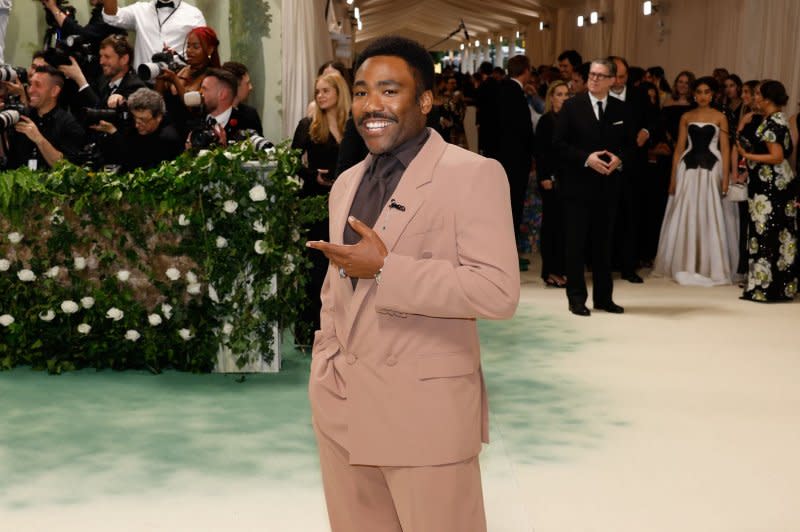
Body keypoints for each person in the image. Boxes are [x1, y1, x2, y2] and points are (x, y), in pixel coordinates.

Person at [306, 35, 519, 532]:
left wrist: (387, 269)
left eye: (388, 91)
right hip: (343, 408)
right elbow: (336, 291)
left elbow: (497, 291)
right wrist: (325, 366)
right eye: (360, 92)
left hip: (425, 417)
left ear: (424, 100)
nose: (370, 106)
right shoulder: (347, 182)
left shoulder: (473, 174)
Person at [554, 58, 632, 316]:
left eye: (601, 75)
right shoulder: (572, 106)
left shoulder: (622, 109)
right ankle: (576, 298)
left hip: (608, 188)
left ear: (612, 80)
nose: (595, 79)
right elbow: (558, 144)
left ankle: (603, 298)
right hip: (577, 187)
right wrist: (586, 159)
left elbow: (630, 143)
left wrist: (621, 158)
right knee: (575, 245)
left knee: (603, 245)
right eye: (592, 74)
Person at [653, 76, 734, 286]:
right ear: (694, 94)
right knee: (686, 212)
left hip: (711, 169)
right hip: (687, 169)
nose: (703, 96)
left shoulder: (720, 117)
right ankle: (684, 263)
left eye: (707, 92)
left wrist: (726, 178)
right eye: (699, 92)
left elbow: (725, 149)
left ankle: (708, 265)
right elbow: (679, 148)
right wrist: (673, 179)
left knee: (709, 213)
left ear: (713, 94)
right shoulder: (686, 116)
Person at [291, 71, 350, 345]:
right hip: (314, 204)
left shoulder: (352, 127)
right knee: (313, 270)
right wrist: (313, 174)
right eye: (318, 91)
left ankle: (343, 329)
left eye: (326, 90)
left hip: (346, 205)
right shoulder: (308, 125)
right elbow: (292, 163)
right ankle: (309, 330)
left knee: (343, 268)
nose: (321, 96)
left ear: (339, 93)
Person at [736, 80, 797, 302]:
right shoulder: (774, 119)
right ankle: (776, 287)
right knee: (776, 234)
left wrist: (748, 155)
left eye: (758, 94)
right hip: (772, 184)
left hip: (772, 187)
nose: (755, 98)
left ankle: (767, 289)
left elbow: (777, 156)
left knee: (767, 233)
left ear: (768, 98)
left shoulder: (773, 123)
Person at [608, 55, 658, 284]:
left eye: (623, 76)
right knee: (607, 217)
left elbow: (654, 119)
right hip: (605, 164)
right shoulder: (598, 97)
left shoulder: (638, 95)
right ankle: (605, 263)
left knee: (631, 216)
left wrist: (646, 132)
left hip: (633, 165)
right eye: (615, 76)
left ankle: (629, 266)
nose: (619, 80)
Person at [487, 55, 535, 269]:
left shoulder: (498, 90)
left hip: (498, 158)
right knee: (512, 208)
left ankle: (502, 253)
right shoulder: (515, 93)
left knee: (499, 207)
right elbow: (523, 131)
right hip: (515, 162)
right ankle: (509, 255)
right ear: (526, 71)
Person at [5, 66, 85, 170]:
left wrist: (39, 139)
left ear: (54, 91)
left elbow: (67, 169)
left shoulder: (70, 125)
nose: (30, 90)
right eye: (30, 84)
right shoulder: (21, 116)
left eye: (37, 85)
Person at [92, 87, 182, 170]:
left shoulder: (168, 137)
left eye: (143, 120)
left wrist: (114, 132)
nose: (137, 125)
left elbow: (137, 165)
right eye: (135, 118)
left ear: (158, 116)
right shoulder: (136, 122)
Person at [535, 80, 570, 288]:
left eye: (566, 94)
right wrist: (544, 177)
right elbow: (540, 153)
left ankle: (562, 269)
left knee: (565, 227)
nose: (564, 98)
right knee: (552, 226)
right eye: (559, 94)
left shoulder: (569, 121)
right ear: (551, 97)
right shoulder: (546, 121)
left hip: (568, 180)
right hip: (550, 180)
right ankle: (551, 271)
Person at [101, 0, 206, 68]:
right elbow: (111, 16)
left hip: (177, 84)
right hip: (143, 83)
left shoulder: (194, 14)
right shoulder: (139, 10)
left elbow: (203, 51)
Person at [58, 35, 145, 110]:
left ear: (124, 59)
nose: (101, 62)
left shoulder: (136, 89)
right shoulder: (102, 80)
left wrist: (79, 78)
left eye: (107, 57)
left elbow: (101, 113)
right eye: (101, 56)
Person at [222, 61, 263, 135]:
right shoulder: (214, 114)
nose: (251, 87)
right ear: (234, 86)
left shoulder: (251, 115)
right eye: (247, 83)